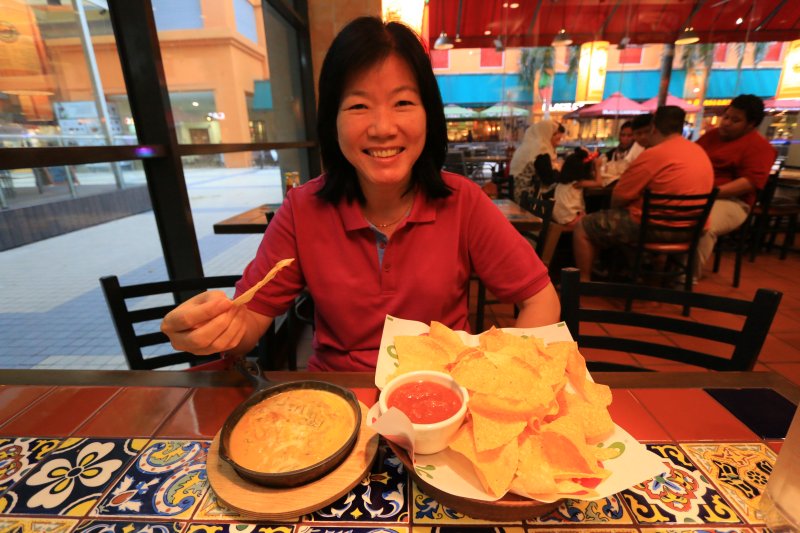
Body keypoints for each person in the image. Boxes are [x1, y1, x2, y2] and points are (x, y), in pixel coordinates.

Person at [160, 17, 560, 371]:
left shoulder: (464, 201)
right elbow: (250, 322)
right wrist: (213, 330)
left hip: (443, 403)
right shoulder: (302, 209)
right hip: (339, 404)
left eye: (403, 102)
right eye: (358, 106)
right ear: (332, 120)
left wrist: (501, 381)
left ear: (428, 114)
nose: (383, 127)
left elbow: (541, 300)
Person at [572, 106, 714, 281]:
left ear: (653, 128)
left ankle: (581, 283)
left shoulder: (654, 154)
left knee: (584, 226)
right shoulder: (699, 152)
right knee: (622, 220)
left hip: (654, 228)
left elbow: (618, 197)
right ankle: (637, 271)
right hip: (694, 229)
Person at [694, 94, 777, 279]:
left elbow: (748, 183)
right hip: (697, 194)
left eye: (735, 120)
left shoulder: (759, 147)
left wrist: (709, 194)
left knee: (703, 224)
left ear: (751, 124)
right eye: (726, 117)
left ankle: (686, 279)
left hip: (732, 202)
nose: (726, 123)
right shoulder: (711, 136)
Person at [509, 120, 565, 203]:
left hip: (516, 192)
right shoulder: (540, 151)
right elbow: (548, 179)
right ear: (546, 134)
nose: (558, 143)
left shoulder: (526, 147)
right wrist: (560, 171)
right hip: (528, 198)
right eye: (554, 135)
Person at [552, 147, 603, 228]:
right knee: (596, 221)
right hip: (568, 220)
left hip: (557, 218)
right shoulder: (577, 183)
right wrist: (597, 167)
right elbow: (599, 183)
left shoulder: (563, 182)